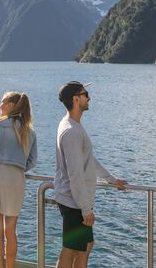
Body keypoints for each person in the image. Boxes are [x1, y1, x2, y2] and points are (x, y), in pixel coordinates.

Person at [54, 82, 126, 268]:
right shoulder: (71, 131)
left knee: (82, 247)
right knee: (75, 248)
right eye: (86, 94)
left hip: (74, 200)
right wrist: (85, 209)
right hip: (74, 202)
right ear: (76, 99)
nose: (89, 97)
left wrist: (111, 180)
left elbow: (88, 160)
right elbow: (75, 174)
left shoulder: (73, 126)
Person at [0, 92, 37, 268]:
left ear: (11, 105)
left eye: (2, 102)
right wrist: (17, 167)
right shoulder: (29, 130)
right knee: (10, 231)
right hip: (17, 179)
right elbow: (33, 160)